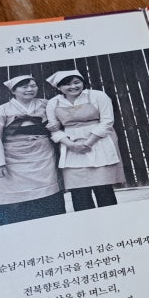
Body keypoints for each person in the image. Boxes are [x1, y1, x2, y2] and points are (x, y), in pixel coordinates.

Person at [0, 74, 66, 225]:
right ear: (13, 91)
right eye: (24, 87)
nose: (30, 89)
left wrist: (56, 125)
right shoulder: (1, 110)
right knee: (15, 194)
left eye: (33, 86)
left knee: (48, 192)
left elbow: (63, 119)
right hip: (14, 158)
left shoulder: (46, 104)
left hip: (43, 155)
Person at [45, 69, 125, 211]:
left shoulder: (98, 96)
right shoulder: (53, 103)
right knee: (79, 193)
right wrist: (71, 145)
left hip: (99, 144)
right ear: (59, 87)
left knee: (104, 190)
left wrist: (88, 143)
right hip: (71, 149)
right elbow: (54, 129)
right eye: (67, 84)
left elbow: (107, 121)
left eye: (77, 82)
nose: (73, 87)